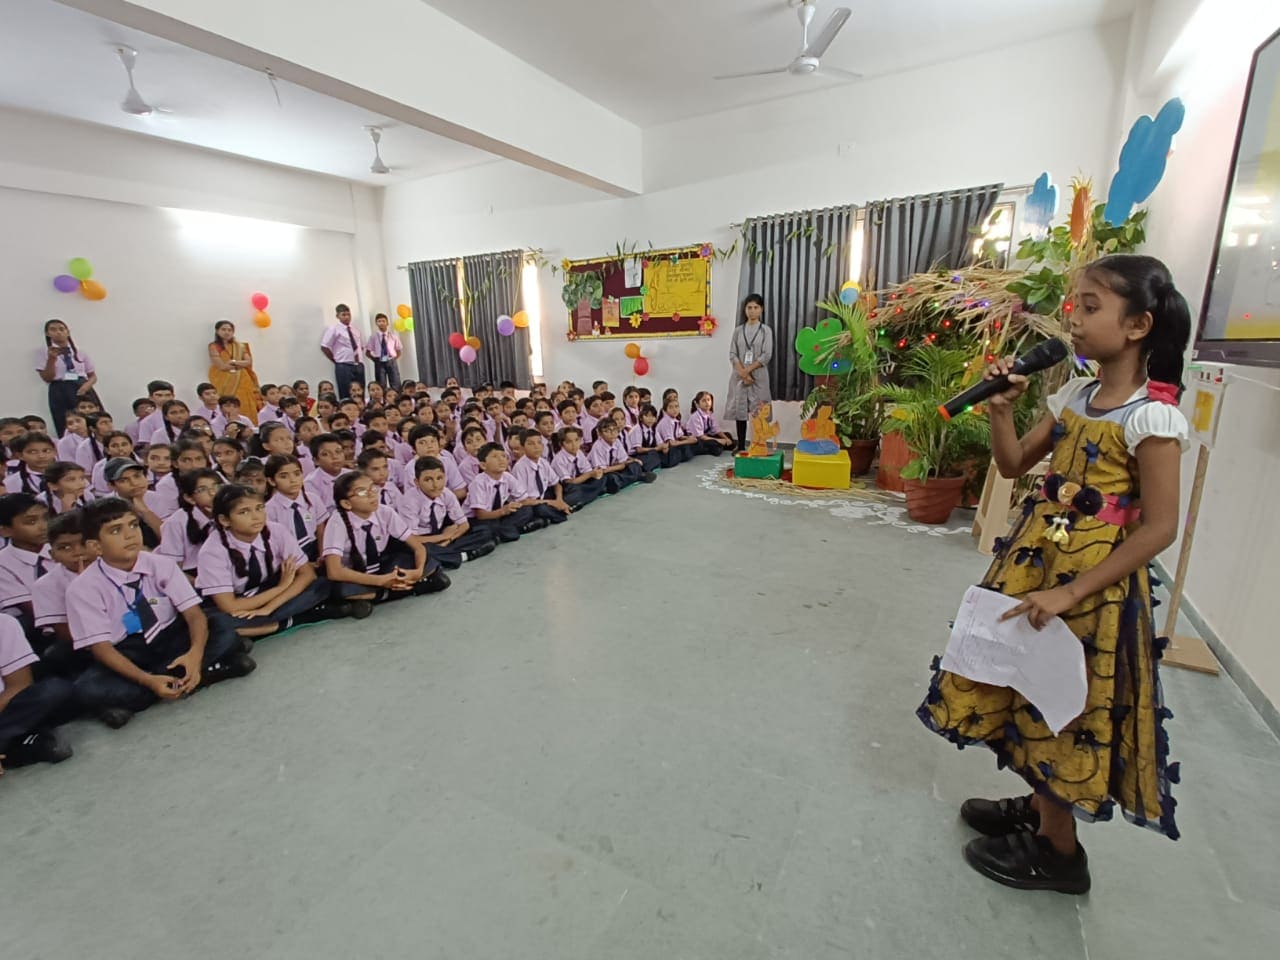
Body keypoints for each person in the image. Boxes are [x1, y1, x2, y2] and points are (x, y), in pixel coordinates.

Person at [918, 254, 1192, 895]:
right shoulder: (1074, 397)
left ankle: (1059, 853)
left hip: (1089, 591)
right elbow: (1013, 464)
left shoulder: (1151, 418)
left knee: (1067, 707)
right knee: (1024, 685)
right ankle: (1042, 807)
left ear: (1138, 325)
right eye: (1075, 305)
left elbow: (1160, 527)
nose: (1074, 318)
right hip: (1037, 561)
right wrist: (1001, 410)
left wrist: (1071, 591)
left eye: (1091, 306)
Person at [68, 498, 252, 729]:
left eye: (133, 525)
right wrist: (147, 680)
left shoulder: (160, 564)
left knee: (223, 626)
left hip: (170, 638)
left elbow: (193, 615)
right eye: (116, 531)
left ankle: (162, 687)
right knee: (86, 689)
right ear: (95, 546)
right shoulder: (82, 588)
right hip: (129, 651)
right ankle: (200, 675)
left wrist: (195, 655)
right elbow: (101, 649)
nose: (130, 535)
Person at [197, 484, 343, 640]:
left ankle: (263, 627)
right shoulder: (212, 552)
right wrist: (282, 587)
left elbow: (307, 574)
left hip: (272, 593)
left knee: (320, 584)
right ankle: (295, 619)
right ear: (224, 520)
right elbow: (229, 606)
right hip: (240, 602)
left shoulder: (276, 530)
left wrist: (269, 607)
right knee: (217, 623)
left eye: (259, 508)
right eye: (244, 512)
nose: (256, 517)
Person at [321, 471, 449, 614]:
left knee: (423, 557)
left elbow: (418, 546)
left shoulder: (385, 512)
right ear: (346, 503)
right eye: (362, 492)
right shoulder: (337, 523)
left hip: (382, 566)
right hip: (355, 574)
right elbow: (334, 571)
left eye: (372, 488)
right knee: (339, 589)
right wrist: (380, 581)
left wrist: (417, 572)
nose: (372, 494)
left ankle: (377, 596)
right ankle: (410, 589)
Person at [0, 614, 76, 773]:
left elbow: (18, 685)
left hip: (6, 709)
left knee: (55, 691)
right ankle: (21, 745)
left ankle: (13, 744)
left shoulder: (4, 624)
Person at [399, 457, 497, 568]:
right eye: (428, 480)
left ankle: (442, 554)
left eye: (439, 478)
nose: (436, 484)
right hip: (422, 538)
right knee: (419, 550)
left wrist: (447, 540)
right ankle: (464, 556)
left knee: (484, 531)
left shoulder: (446, 493)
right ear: (417, 482)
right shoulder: (409, 501)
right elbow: (412, 539)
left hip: (443, 535)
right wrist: (443, 536)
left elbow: (464, 525)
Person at [725, 293, 773, 451]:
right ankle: (740, 446)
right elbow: (732, 354)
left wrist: (748, 370)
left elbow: (766, 355)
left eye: (756, 307)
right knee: (740, 410)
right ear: (745, 310)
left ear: (761, 309)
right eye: (749, 308)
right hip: (740, 376)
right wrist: (743, 373)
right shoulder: (738, 331)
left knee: (760, 410)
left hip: (758, 376)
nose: (752, 311)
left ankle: (759, 444)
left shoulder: (766, 331)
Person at [36, 319, 99, 437]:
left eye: (61, 329)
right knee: (66, 421)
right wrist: (52, 359)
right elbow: (47, 378)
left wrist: (86, 386)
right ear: (47, 334)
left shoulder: (79, 352)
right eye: (53, 330)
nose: (58, 332)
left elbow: (92, 376)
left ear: (68, 332)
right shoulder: (43, 352)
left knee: (93, 419)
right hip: (60, 389)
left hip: (82, 387)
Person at [207, 321, 262, 425]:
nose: (227, 332)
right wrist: (238, 364)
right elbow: (222, 366)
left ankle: (249, 424)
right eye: (223, 329)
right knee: (228, 402)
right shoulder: (214, 346)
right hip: (223, 380)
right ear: (217, 331)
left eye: (229, 330)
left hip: (242, 379)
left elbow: (248, 362)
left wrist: (233, 362)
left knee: (246, 402)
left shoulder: (240, 346)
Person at [320, 303, 366, 401]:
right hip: (344, 365)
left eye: (348, 314)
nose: (346, 317)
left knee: (360, 391)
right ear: (338, 316)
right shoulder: (334, 329)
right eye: (343, 315)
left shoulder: (355, 329)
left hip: (358, 364)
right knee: (345, 392)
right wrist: (335, 360)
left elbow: (360, 346)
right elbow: (324, 346)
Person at [686, 391, 736, 456]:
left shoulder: (710, 413)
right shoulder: (695, 416)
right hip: (697, 439)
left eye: (708, 400)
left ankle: (722, 445)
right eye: (704, 401)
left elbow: (716, 429)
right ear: (698, 404)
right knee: (715, 446)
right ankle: (720, 446)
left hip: (706, 436)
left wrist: (726, 438)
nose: (707, 403)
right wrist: (719, 440)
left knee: (728, 435)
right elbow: (700, 436)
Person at [368, 313, 403, 390]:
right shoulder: (373, 337)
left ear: (387, 323)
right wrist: (375, 360)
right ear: (376, 323)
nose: (381, 323)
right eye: (379, 321)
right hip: (379, 362)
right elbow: (368, 352)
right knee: (381, 384)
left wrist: (393, 359)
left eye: (383, 321)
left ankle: (396, 395)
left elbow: (399, 350)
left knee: (396, 382)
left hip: (391, 360)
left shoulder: (393, 336)